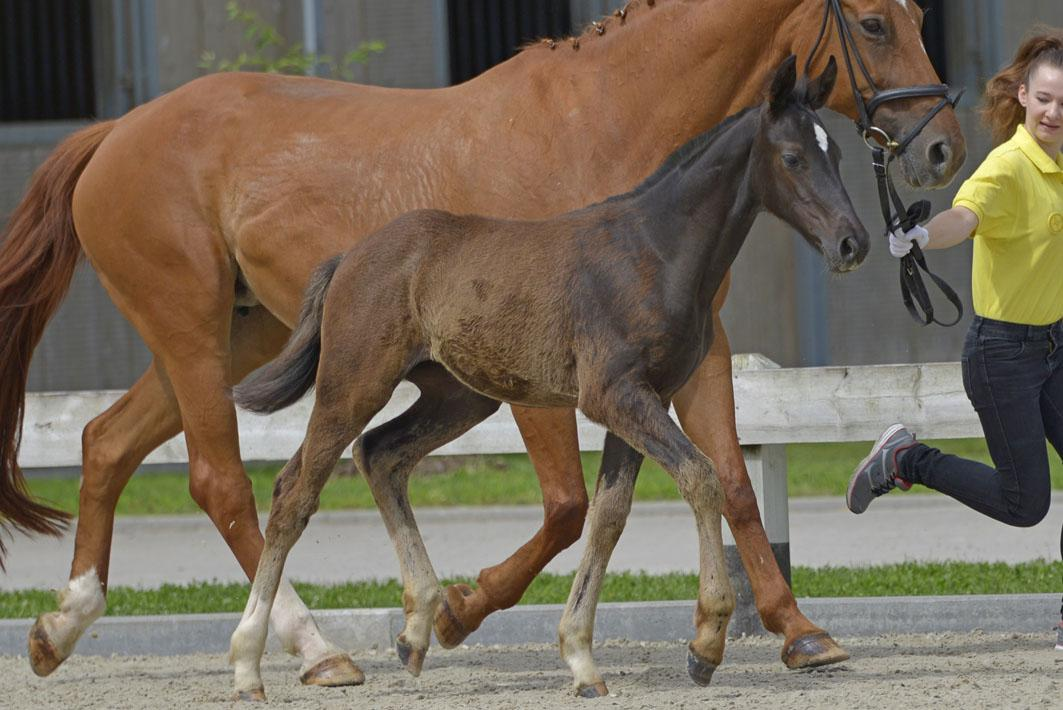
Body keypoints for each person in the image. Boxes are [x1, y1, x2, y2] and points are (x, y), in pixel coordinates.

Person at [844, 29, 1063, 651]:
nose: (1053, 113)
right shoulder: (1009, 168)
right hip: (1005, 358)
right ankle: (905, 460)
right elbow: (963, 218)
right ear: (1023, 95)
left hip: (1056, 344)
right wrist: (920, 236)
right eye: (1044, 98)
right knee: (1025, 504)